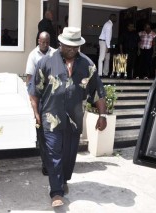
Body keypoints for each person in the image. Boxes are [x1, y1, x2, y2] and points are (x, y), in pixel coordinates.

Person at [28, 27, 107, 207]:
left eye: (75, 46)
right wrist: (36, 114)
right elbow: (34, 92)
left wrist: (102, 115)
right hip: (50, 119)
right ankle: (56, 193)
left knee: (69, 155)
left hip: (74, 120)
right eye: (68, 45)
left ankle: (63, 181)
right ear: (61, 43)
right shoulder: (46, 62)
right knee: (53, 154)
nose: (72, 49)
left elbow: (98, 93)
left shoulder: (88, 65)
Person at [25, 31, 56, 176]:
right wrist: (32, 101)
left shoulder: (55, 53)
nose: (44, 45)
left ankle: (54, 161)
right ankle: (45, 163)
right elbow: (29, 78)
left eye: (47, 42)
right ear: (38, 41)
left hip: (54, 98)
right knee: (42, 134)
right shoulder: (33, 55)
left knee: (54, 133)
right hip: (40, 98)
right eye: (42, 42)